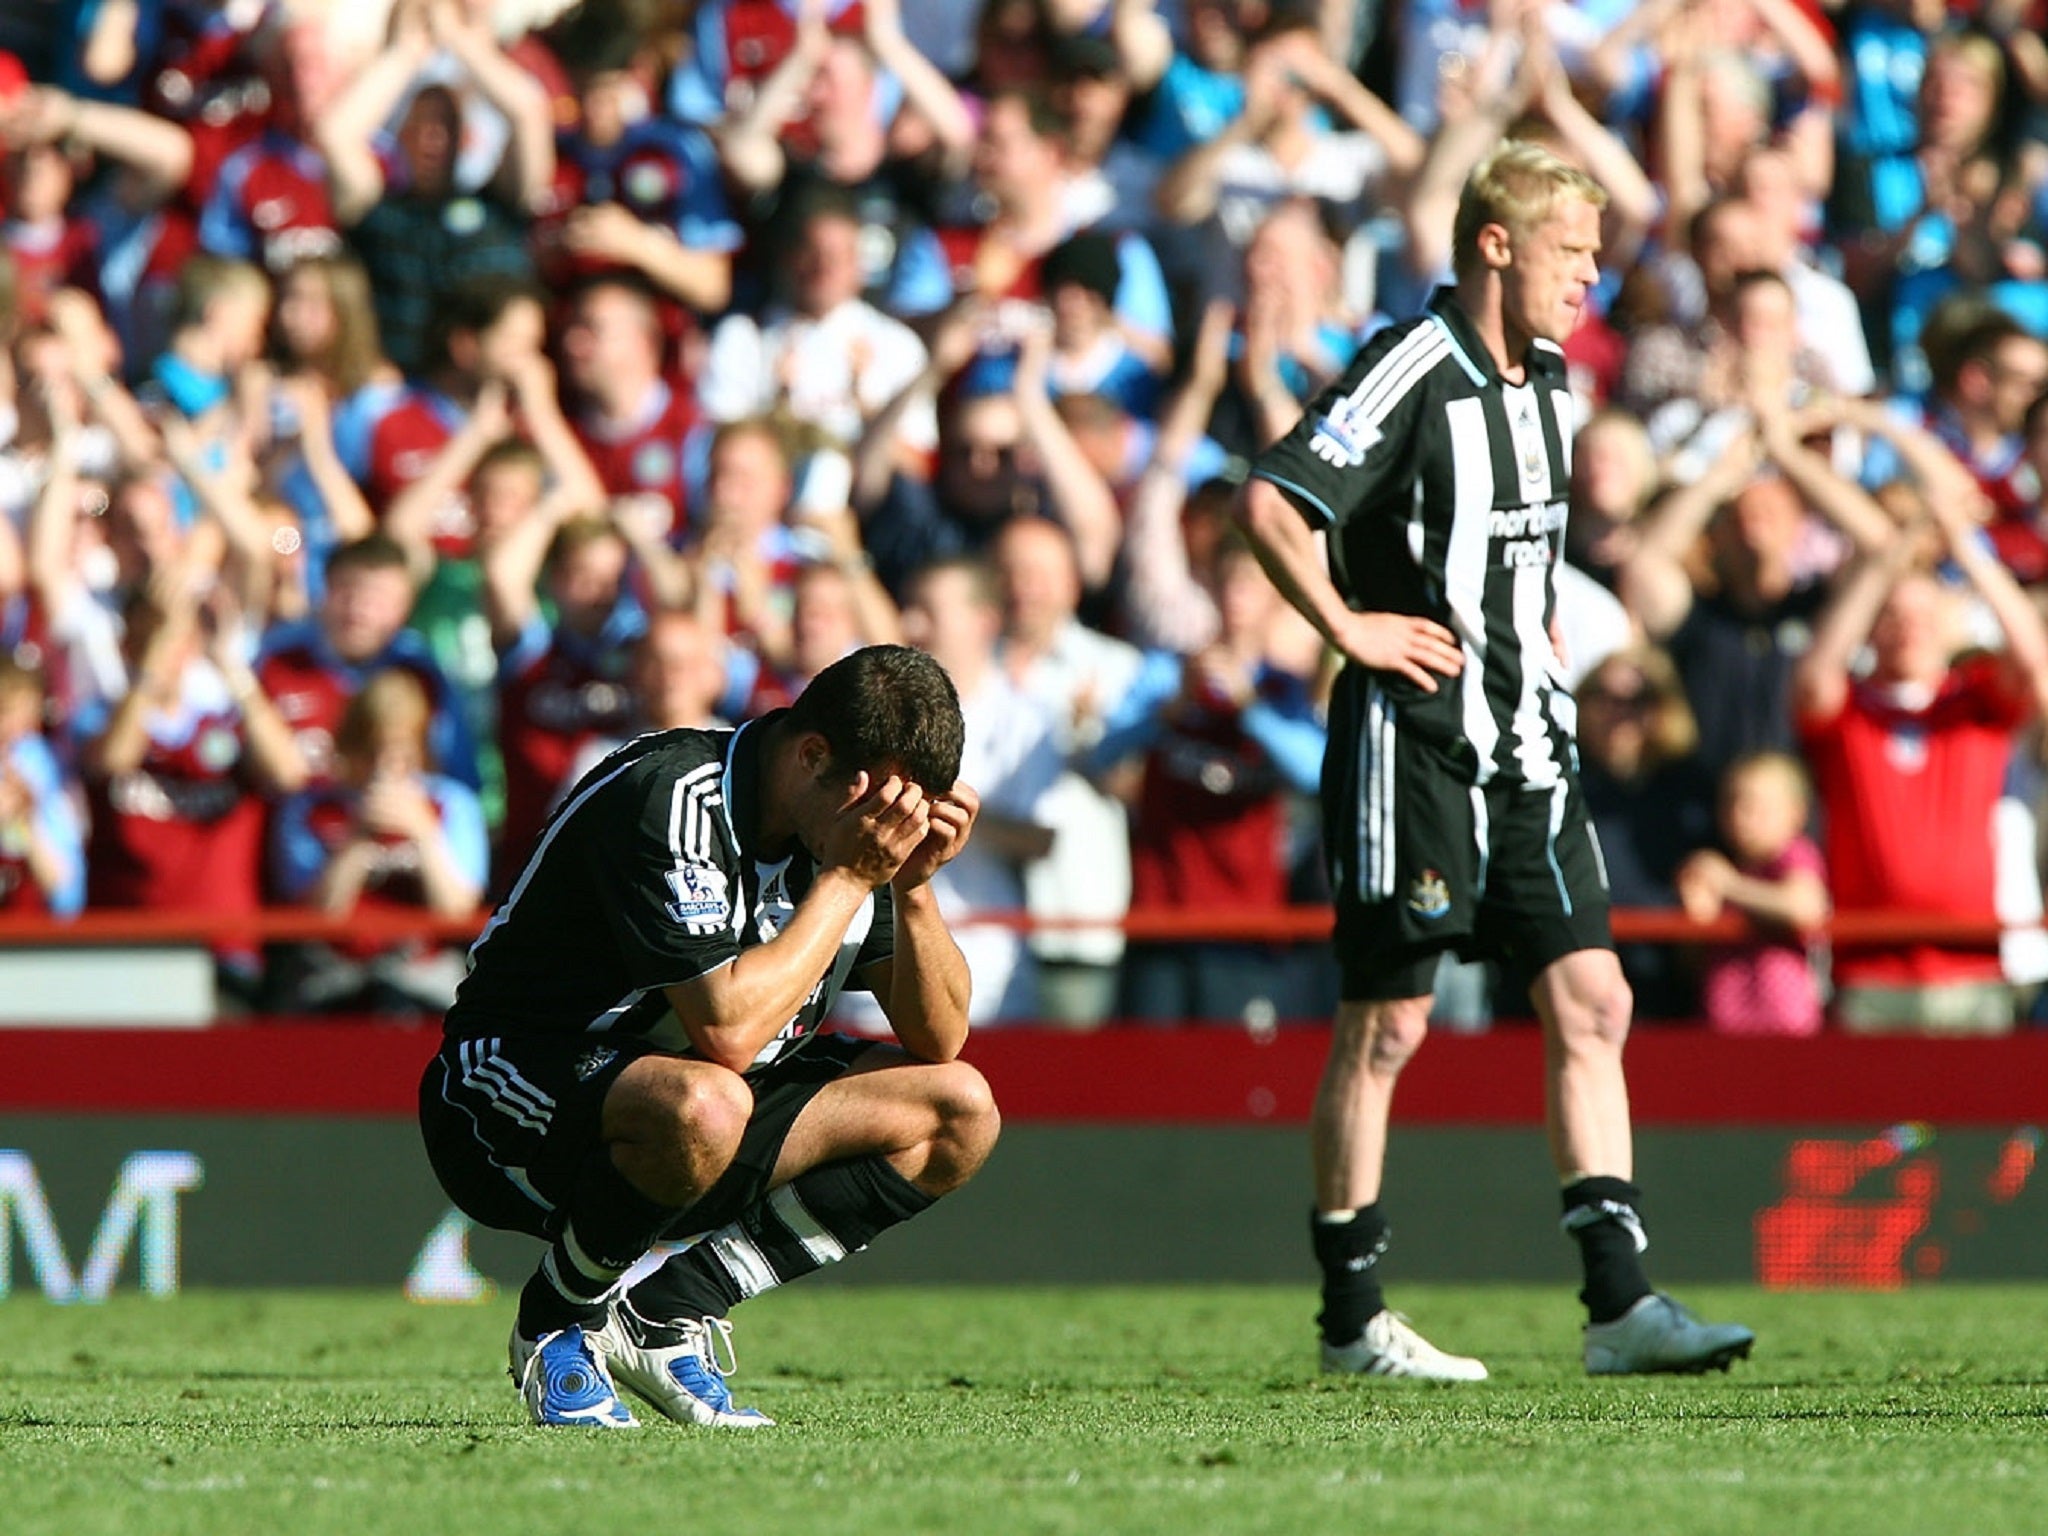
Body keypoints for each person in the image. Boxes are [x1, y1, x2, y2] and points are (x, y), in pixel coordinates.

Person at [1234, 140, 1755, 1379]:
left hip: (1532, 743)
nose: (1589, 279)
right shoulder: (1413, 365)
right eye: (1570, 253)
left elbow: (1515, 566)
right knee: (1390, 1021)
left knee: (1592, 998)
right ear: (1493, 244)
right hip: (1412, 748)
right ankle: (1350, 1321)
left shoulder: (1552, 381)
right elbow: (1270, 501)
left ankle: (1618, 1305)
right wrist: (1347, 629)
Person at [418, 644, 999, 1429]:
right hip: (512, 1090)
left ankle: (664, 1316)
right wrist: (851, 880)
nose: (888, 833)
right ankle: (558, 1319)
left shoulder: (851, 837)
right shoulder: (668, 797)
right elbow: (726, 1029)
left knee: (958, 1109)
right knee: (709, 1100)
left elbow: (941, 1037)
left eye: (909, 815)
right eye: (880, 812)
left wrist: (913, 886)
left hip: (697, 1106)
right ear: (813, 755)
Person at [1676, 750, 1828, 1038]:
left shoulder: (1795, 856)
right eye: (1732, 802)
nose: (1741, 816)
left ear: (1796, 813)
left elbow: (1803, 906)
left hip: (1785, 1023)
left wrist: (1728, 886)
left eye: (1757, 806)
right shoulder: (1725, 865)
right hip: (1721, 1024)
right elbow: (1690, 958)